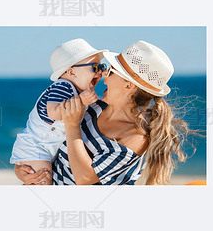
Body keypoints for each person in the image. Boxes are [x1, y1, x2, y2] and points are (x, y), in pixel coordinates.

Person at [15, 40, 189, 185]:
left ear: (128, 86)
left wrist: (72, 125)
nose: (104, 75)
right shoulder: (93, 109)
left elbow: (84, 178)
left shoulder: (135, 138)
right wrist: (23, 170)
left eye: (111, 71)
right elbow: (47, 142)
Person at [10, 38, 107, 184]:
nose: (100, 73)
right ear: (71, 72)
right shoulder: (63, 86)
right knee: (43, 180)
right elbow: (54, 112)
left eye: (102, 67)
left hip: (47, 148)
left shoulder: (75, 91)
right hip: (36, 146)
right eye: (94, 67)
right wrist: (81, 101)